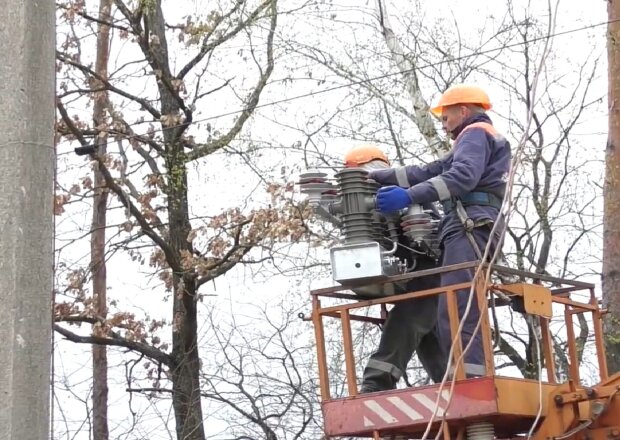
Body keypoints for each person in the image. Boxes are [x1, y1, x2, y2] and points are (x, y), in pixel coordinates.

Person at [369, 84, 511, 378]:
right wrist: (376, 176)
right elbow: (428, 171)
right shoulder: (474, 139)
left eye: (445, 118)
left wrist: (409, 196)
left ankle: (470, 377)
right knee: (454, 303)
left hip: (470, 222)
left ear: (463, 111)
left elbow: (461, 177)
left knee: (458, 303)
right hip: (473, 222)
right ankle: (465, 374)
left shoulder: (474, 133)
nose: (444, 126)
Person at [342, 144, 447, 391]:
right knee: (427, 331)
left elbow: (434, 231)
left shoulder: (405, 193)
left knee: (409, 317)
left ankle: (376, 382)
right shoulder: (363, 204)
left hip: (431, 270)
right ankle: (454, 383)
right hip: (412, 275)